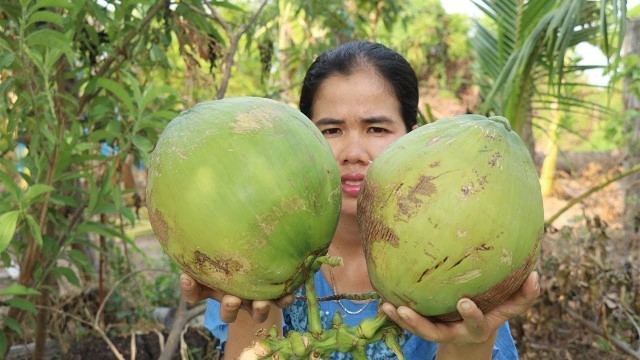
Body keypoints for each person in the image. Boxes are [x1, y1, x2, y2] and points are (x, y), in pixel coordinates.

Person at [179, 40, 540, 359]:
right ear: (304, 138)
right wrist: (253, 297)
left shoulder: (462, 262)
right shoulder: (254, 241)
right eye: (332, 130)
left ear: (414, 141)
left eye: (377, 128)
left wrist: (469, 342)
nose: (353, 152)